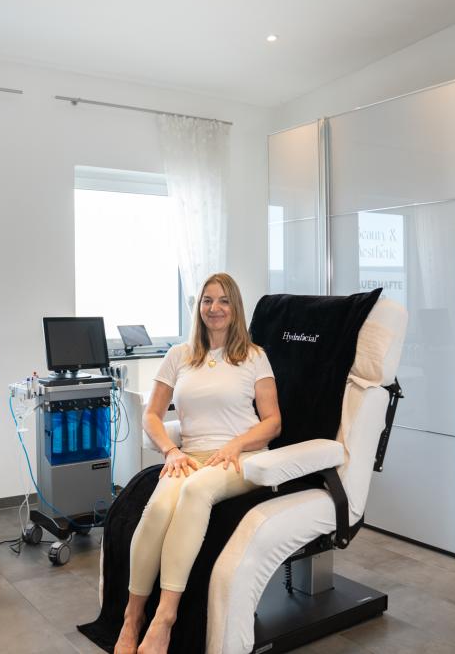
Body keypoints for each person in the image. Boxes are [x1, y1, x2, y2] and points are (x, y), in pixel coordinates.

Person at [115, 273, 282, 654]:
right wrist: (170, 451)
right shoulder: (179, 355)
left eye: (223, 301)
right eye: (207, 300)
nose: (214, 308)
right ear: (199, 307)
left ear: (235, 307)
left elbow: (273, 422)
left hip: (241, 456)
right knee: (159, 507)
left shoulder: (254, 356)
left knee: (195, 491)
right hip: (189, 455)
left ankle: (164, 619)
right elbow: (151, 415)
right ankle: (132, 616)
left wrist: (237, 445)